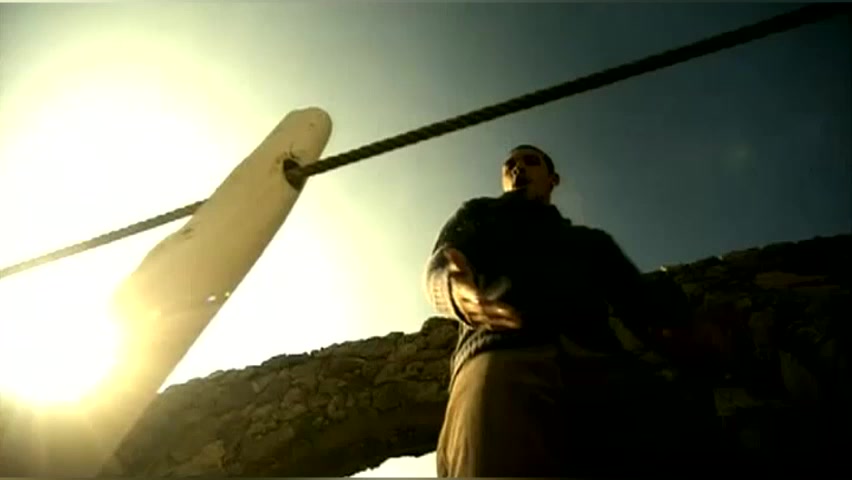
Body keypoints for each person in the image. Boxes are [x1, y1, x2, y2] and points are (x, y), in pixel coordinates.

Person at [423, 145, 711, 477]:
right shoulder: (479, 214)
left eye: (530, 161)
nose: (518, 168)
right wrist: (454, 288)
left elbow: (641, 302)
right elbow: (442, 262)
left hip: (598, 361)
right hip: (501, 355)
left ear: (553, 179)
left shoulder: (590, 242)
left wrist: (690, 329)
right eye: (510, 165)